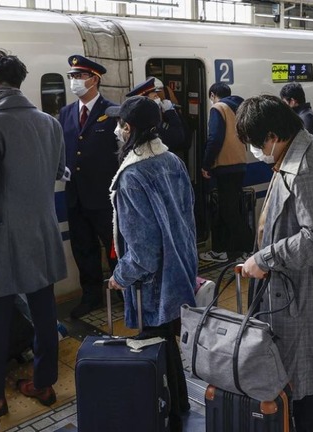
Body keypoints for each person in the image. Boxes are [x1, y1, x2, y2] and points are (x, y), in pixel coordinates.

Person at [0, 49, 67, 417]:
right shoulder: (50, 124)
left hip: (1, 243)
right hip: (42, 234)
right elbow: (58, 172)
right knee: (44, 315)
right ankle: (44, 384)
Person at [237, 95, 313, 432]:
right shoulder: (295, 151)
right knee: (302, 373)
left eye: (256, 143)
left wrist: (266, 257)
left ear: (273, 135)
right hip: (294, 285)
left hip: (301, 291)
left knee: (301, 379)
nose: (255, 151)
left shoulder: (304, 166)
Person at [106, 96, 197, 432]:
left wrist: (120, 277)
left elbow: (143, 252)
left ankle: (170, 413)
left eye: (120, 124)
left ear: (129, 128)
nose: (117, 130)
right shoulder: (172, 159)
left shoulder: (132, 176)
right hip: (179, 271)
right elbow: (188, 218)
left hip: (152, 285)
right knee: (167, 345)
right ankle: (181, 406)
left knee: (156, 347)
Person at [58, 55, 120, 319]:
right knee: (83, 249)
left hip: (105, 196)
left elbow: (121, 152)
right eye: (72, 77)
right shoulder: (66, 113)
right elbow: (63, 147)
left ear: (94, 79)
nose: (75, 82)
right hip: (75, 196)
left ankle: (125, 292)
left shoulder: (113, 111)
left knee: (115, 246)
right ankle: (91, 295)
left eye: (79, 76)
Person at [200, 83, 249, 263]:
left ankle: (244, 249)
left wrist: (206, 164)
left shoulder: (218, 108)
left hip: (225, 166)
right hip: (240, 164)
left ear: (213, 95)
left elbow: (215, 138)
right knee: (230, 209)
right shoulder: (239, 107)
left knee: (229, 212)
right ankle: (223, 250)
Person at [125, 77, 189, 156]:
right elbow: (178, 137)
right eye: (155, 97)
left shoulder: (153, 116)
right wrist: (170, 112)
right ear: (146, 101)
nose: (159, 99)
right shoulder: (149, 121)